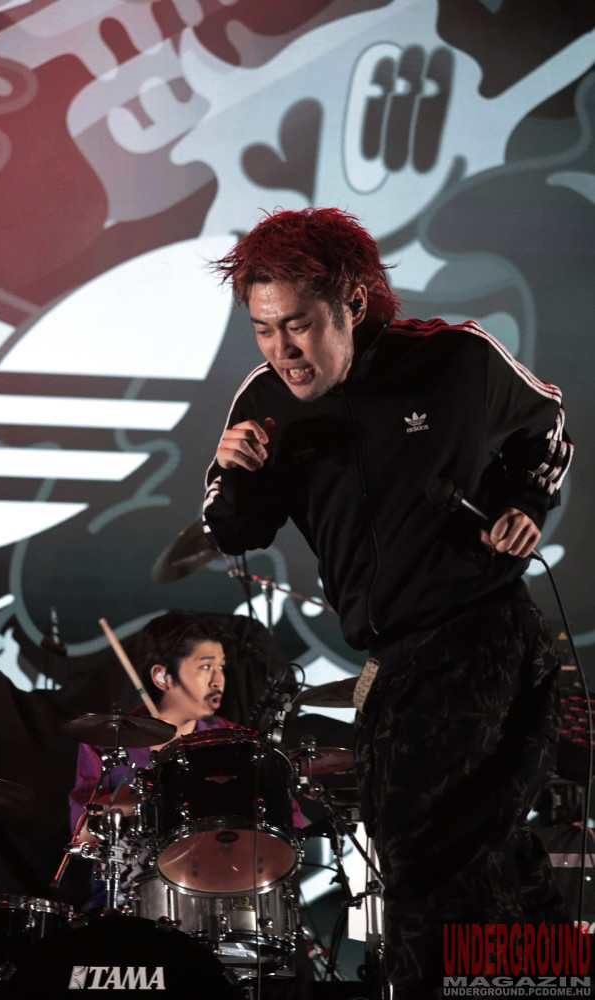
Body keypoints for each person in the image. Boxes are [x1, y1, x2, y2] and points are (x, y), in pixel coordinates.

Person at [202, 207, 574, 997]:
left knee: (416, 849)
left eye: (298, 325)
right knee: (485, 853)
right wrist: (234, 474)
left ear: (353, 301)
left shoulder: (455, 359)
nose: (282, 349)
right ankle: (553, 982)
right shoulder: (266, 400)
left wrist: (526, 503)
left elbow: (546, 423)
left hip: (484, 635)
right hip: (399, 657)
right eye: (263, 329)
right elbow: (236, 530)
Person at [68, 609, 236, 908]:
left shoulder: (233, 741)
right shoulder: (108, 740)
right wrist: (155, 789)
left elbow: (283, 827)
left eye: (221, 667)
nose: (218, 680)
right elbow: (81, 835)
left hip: (217, 902)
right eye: (206, 666)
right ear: (162, 676)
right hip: (125, 906)